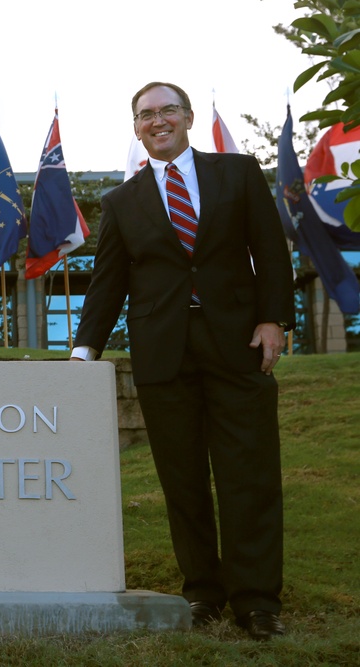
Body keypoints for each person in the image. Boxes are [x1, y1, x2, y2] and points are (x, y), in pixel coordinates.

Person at [71, 82, 294, 640]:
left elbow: (269, 249)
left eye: (167, 109)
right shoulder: (122, 202)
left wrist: (274, 319)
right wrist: (84, 349)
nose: (157, 120)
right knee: (183, 479)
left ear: (188, 117)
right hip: (163, 355)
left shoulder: (237, 173)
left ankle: (257, 600)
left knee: (250, 474)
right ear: (137, 128)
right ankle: (203, 592)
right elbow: (109, 283)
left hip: (238, 345)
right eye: (145, 115)